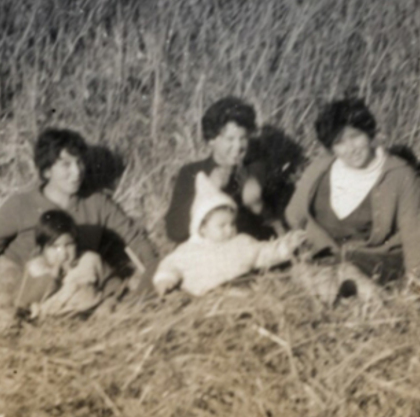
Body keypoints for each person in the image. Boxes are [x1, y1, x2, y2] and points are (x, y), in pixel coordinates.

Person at [0, 128, 157, 329]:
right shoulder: (20, 205)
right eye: (66, 165)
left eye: (79, 162)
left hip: (70, 280)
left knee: (106, 316)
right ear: (46, 171)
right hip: (20, 278)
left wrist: (149, 286)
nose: (77, 172)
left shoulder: (98, 203)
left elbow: (137, 240)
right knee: (5, 321)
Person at [285, 98, 420, 285]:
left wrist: (415, 284)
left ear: (369, 133)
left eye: (356, 136)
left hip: (373, 261)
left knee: (343, 273)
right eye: (339, 142)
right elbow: (294, 215)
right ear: (331, 147)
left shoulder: (399, 173)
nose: (351, 149)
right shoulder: (320, 168)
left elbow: (414, 235)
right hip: (323, 257)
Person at [154, 172, 305, 297]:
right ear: (202, 228)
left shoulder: (242, 242)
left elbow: (263, 252)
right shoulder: (189, 250)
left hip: (244, 289)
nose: (229, 229)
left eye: (232, 224)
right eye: (221, 226)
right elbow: (170, 264)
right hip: (208, 298)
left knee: (261, 291)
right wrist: (166, 279)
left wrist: (287, 245)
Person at [164, 96, 273, 244]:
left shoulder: (256, 170)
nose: (238, 146)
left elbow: (275, 229)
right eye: (230, 139)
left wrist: (258, 206)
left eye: (243, 138)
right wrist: (208, 190)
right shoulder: (192, 172)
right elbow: (174, 231)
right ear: (211, 140)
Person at [13, 210, 104, 319]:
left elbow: (111, 283)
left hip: (89, 311)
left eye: (69, 245)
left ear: (76, 243)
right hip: (51, 317)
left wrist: (110, 301)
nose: (63, 253)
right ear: (42, 249)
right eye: (55, 247)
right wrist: (53, 277)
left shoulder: (89, 260)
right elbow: (25, 300)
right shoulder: (36, 268)